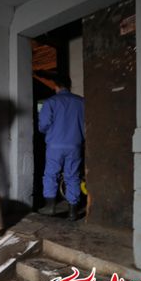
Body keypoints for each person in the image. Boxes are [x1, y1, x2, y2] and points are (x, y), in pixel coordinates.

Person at [36, 72, 85, 221]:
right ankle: (73, 211)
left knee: (51, 174)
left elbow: (43, 125)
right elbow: (86, 125)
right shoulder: (81, 102)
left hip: (55, 145)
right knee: (73, 176)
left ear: (55, 86)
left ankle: (50, 207)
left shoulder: (50, 102)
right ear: (69, 86)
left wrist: (50, 131)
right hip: (75, 145)